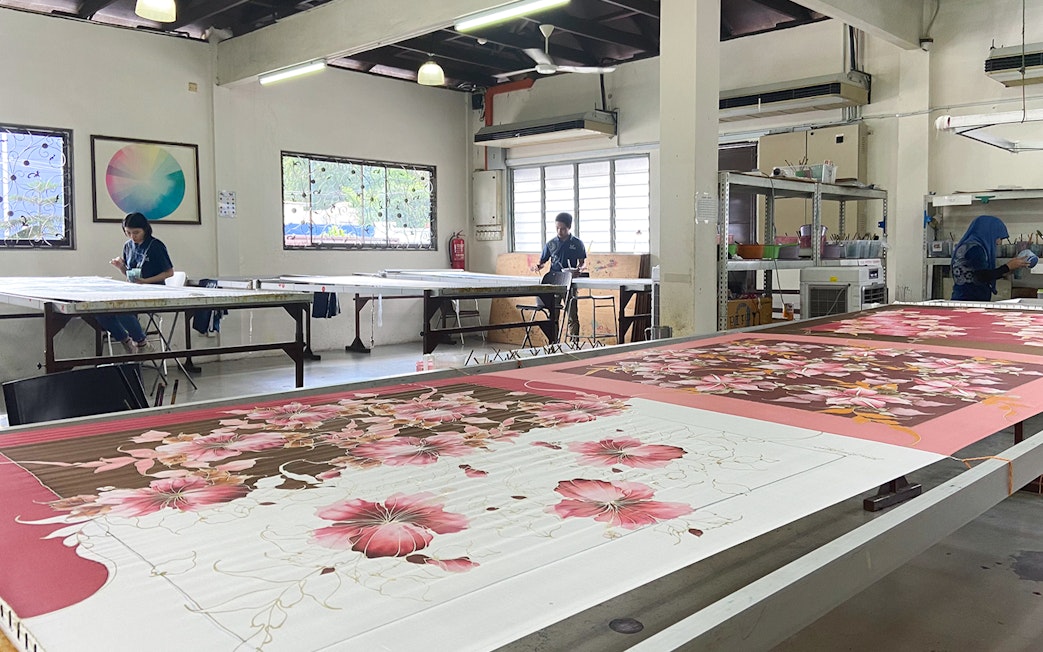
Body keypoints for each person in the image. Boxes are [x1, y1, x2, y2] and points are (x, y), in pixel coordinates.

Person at [99, 212, 175, 353]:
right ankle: (126, 341)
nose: (132, 236)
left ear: (145, 229)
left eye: (136, 232)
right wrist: (121, 267)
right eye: (128, 232)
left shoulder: (156, 246)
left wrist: (146, 281)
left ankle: (141, 343)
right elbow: (130, 273)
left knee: (122, 308)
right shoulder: (128, 246)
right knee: (100, 311)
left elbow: (169, 272)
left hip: (154, 291)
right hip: (134, 290)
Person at [532, 213, 586, 342]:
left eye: (562, 228)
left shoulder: (577, 243)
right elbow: (542, 260)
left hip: (569, 283)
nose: (559, 231)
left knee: (572, 316)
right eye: (557, 228)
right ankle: (553, 343)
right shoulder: (551, 244)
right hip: (554, 283)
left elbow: (582, 262)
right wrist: (538, 266)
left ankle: (574, 344)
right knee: (553, 316)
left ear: (569, 227)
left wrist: (579, 269)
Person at [950, 214, 1028, 301]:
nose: (999, 243)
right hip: (969, 301)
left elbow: (978, 272)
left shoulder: (971, 245)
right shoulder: (975, 249)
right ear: (989, 233)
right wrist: (1007, 267)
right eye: (999, 238)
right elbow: (981, 276)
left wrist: (1007, 271)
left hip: (966, 298)